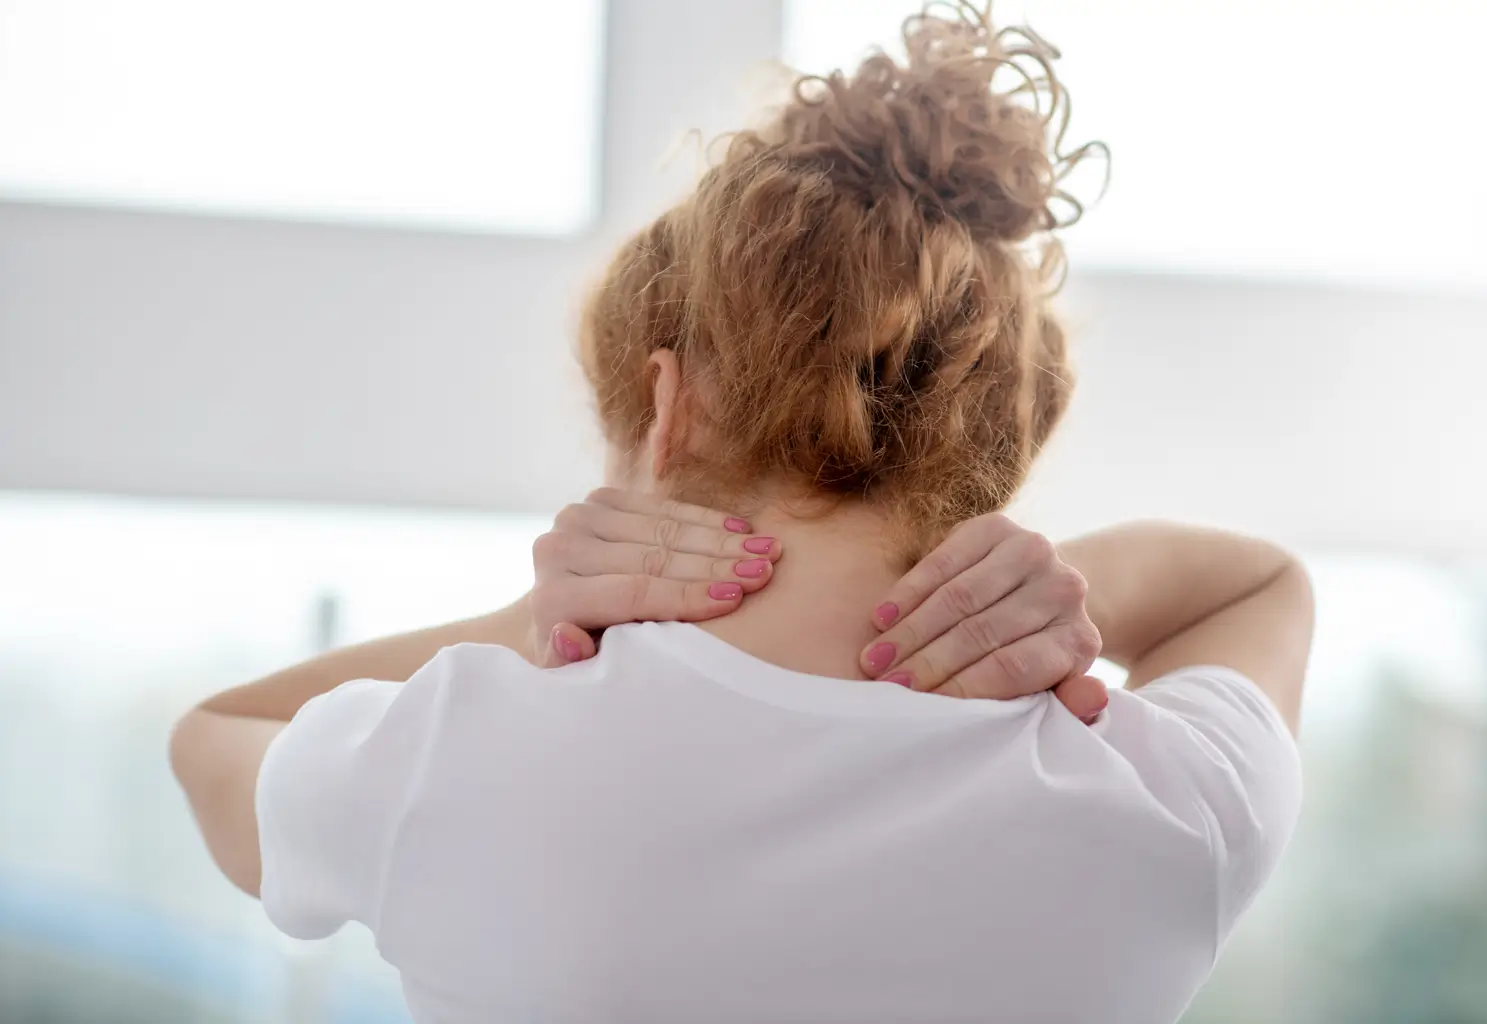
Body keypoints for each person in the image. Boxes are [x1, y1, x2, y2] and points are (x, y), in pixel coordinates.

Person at [171, 6, 1311, 1022]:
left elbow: (213, 735)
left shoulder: (460, 757)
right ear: (989, 453)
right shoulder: (1161, 806)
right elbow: (1265, 586)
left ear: (671, 409)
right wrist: (1052, 587)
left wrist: (528, 622)